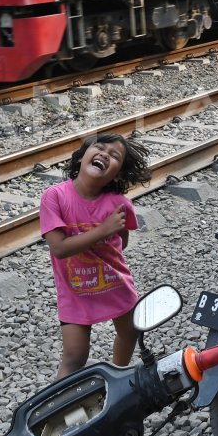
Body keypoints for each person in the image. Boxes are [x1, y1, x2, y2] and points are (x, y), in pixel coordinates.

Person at [40, 133, 152, 379]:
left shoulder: (119, 204)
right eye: (99, 148)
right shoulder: (55, 196)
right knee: (74, 357)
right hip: (75, 290)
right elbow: (58, 248)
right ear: (81, 158)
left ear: (118, 174)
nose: (104, 154)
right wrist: (102, 231)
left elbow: (121, 241)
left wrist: (107, 234)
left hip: (115, 284)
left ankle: (118, 377)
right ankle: (55, 410)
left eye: (114, 156)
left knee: (129, 332)